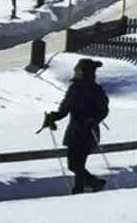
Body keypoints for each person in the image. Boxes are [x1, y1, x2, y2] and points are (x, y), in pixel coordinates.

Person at [44, 57, 111, 192]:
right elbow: (64, 109)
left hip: (88, 131)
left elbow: (103, 109)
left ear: (84, 72)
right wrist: (53, 117)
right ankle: (93, 183)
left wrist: (94, 119)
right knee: (73, 164)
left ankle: (79, 189)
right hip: (74, 132)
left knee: (78, 163)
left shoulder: (96, 90)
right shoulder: (74, 89)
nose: (75, 71)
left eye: (78, 69)